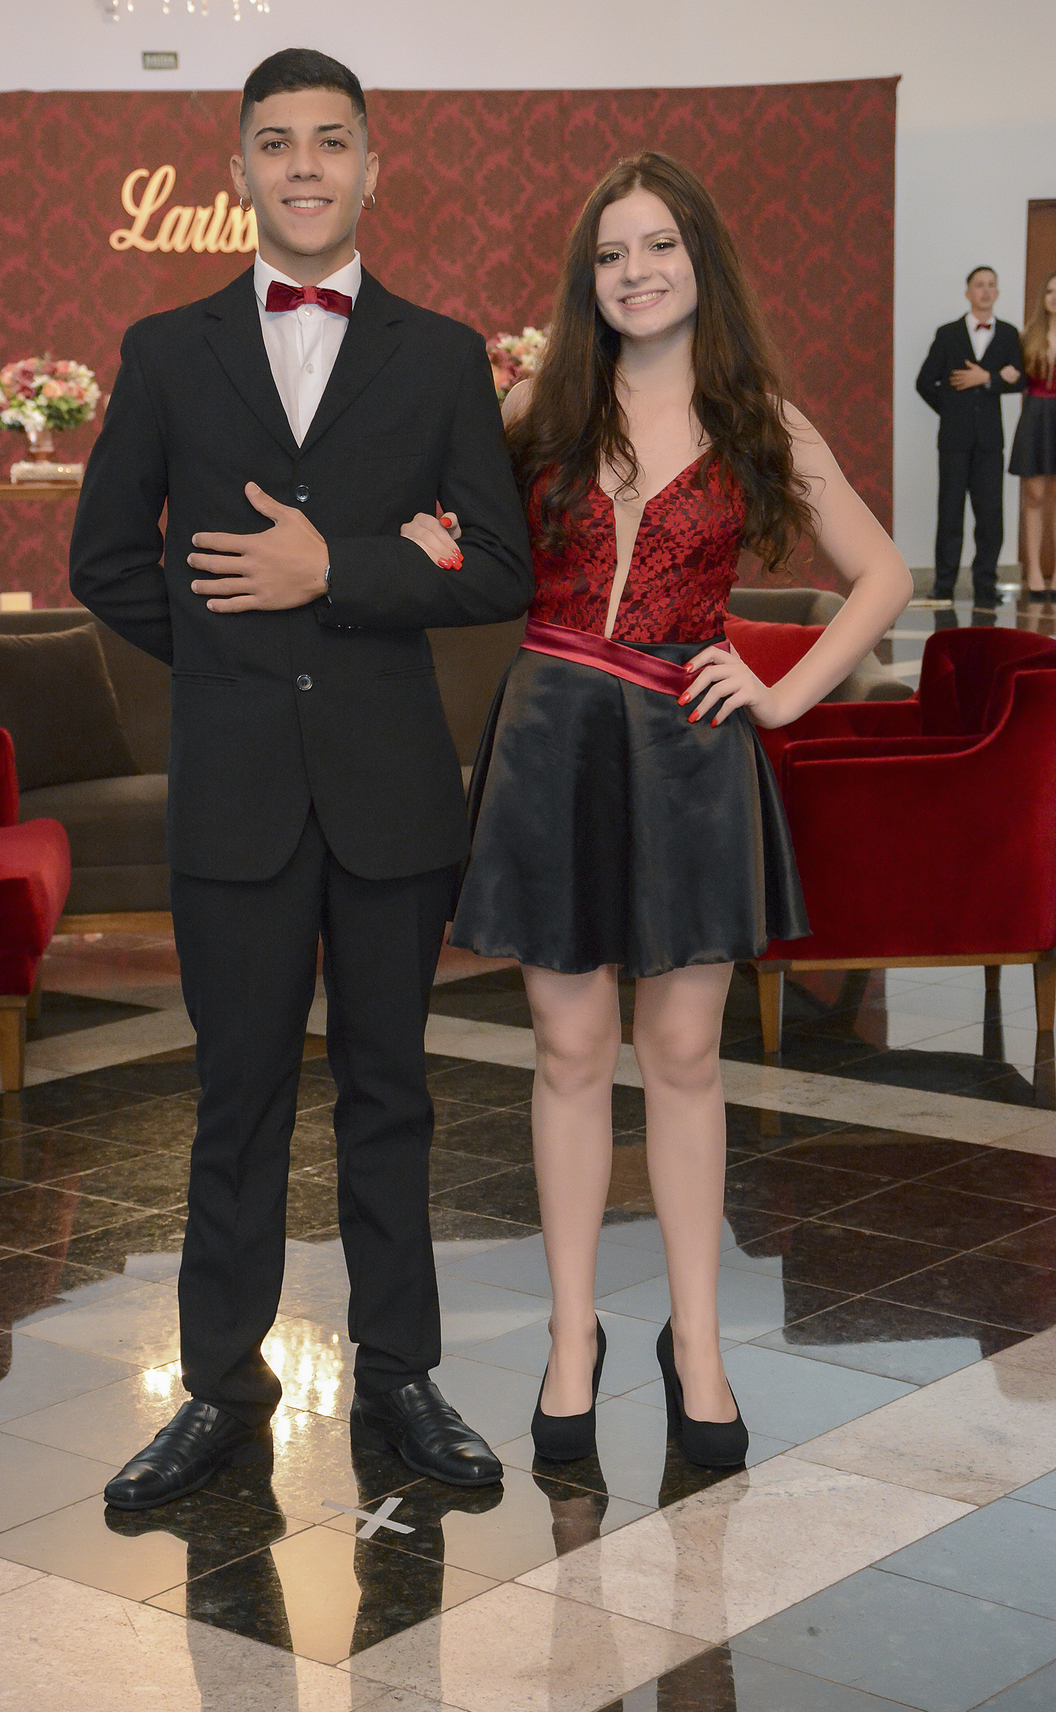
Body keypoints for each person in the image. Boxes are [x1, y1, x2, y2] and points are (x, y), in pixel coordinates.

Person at [69, 48, 532, 1508]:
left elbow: (499, 569)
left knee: (392, 1094)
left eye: (332, 141)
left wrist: (338, 572)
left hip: (392, 792)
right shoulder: (166, 349)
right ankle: (220, 1388)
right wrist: (231, 652)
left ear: (372, 167)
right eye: (277, 143)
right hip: (237, 792)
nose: (306, 166)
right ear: (240, 172)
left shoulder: (443, 354)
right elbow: (105, 560)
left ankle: (401, 1376)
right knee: (237, 1099)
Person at [448, 151, 912, 1468]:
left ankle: (696, 1344)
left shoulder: (759, 417)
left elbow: (882, 574)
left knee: (688, 1051)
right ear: (586, 278)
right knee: (567, 1047)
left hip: (689, 750)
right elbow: (458, 539)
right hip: (550, 741)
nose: (635, 271)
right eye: (611, 253)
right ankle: (572, 1337)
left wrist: (783, 690)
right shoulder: (536, 404)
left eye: (658, 246)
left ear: (700, 260)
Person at [916, 267, 1023, 607]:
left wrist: (987, 378)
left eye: (992, 285)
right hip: (954, 439)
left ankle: (986, 586)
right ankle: (943, 585)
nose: (986, 291)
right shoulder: (948, 334)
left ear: (997, 292)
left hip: (990, 441)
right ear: (968, 292)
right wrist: (950, 410)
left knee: (990, 516)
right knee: (950, 513)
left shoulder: (1009, 334)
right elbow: (924, 382)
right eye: (979, 285)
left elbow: (1020, 380)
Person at [1009, 271, 1056, 602]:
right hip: (1036, 416)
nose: (1054, 297)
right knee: (1035, 495)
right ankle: (1035, 574)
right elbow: (1014, 380)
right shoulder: (1027, 335)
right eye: (1050, 290)